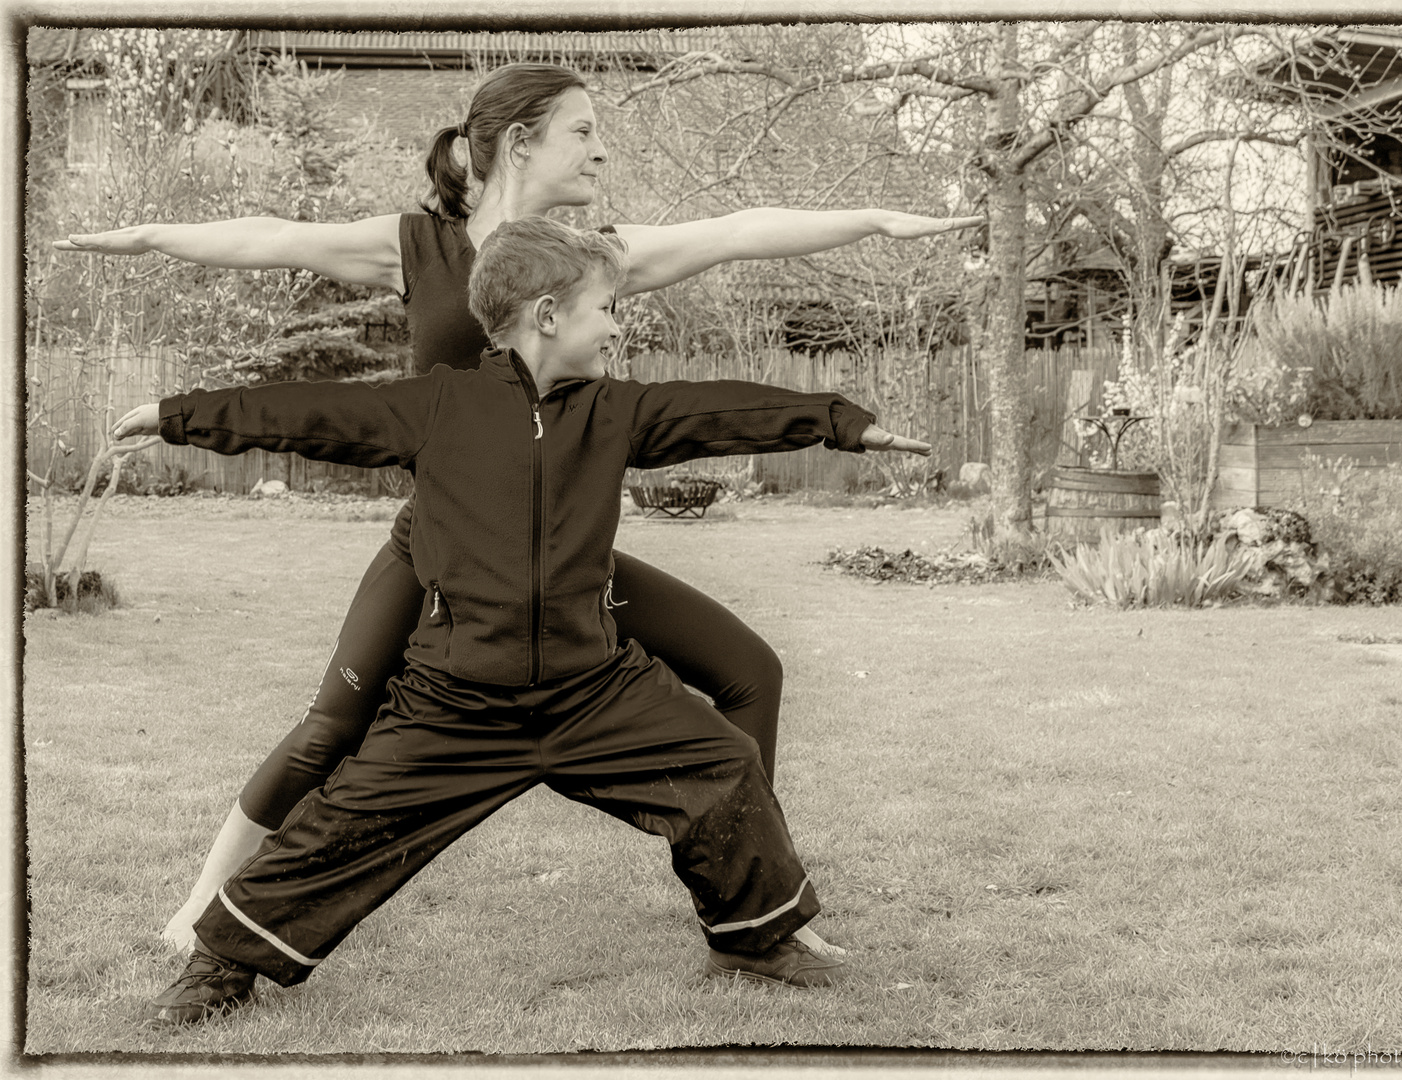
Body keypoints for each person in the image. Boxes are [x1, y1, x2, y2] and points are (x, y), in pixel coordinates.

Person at [57, 61, 980, 958]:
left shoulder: (592, 260)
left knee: (748, 671)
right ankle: (200, 906)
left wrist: (875, 220)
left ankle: (754, 899)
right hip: (437, 553)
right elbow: (269, 235)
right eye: (584, 132)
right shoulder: (414, 247)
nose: (600, 152)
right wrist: (146, 237)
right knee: (331, 730)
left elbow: (739, 228)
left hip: (558, 560)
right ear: (517, 143)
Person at [114, 216, 932, 1023]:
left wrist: (839, 421)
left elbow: (720, 412)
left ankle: (750, 942)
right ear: (548, 315)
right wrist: (175, 413)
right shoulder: (438, 406)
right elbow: (312, 413)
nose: (616, 326)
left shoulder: (615, 411)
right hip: (455, 699)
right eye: (604, 308)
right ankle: (220, 965)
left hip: (596, 691)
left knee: (722, 764)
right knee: (340, 826)